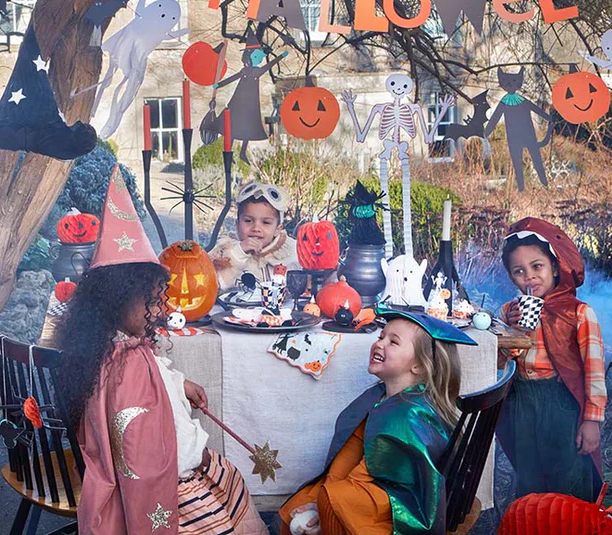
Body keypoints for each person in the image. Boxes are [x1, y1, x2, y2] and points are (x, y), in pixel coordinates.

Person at [60, 166, 268, 534]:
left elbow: (158, 387)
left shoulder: (108, 350)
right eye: (151, 302)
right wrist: (199, 456)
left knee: (229, 478)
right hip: (167, 485)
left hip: (136, 474)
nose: (160, 310)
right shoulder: (130, 369)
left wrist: (181, 383)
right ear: (115, 300)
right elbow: (154, 436)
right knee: (223, 491)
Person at [280, 309, 476, 535]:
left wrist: (324, 506)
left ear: (419, 366)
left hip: (403, 506)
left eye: (393, 342)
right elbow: (348, 455)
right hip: (378, 486)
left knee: (335, 499)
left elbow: (369, 478)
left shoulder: (407, 415)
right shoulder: (379, 397)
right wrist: (319, 497)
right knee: (311, 497)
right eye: (381, 337)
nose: (380, 344)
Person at [496, 217, 606, 501]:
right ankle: (533, 520)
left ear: (555, 268)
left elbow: (594, 372)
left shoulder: (579, 314)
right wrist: (513, 332)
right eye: (518, 271)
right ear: (511, 277)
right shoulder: (509, 311)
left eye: (537, 266)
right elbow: (498, 364)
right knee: (529, 472)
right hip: (522, 401)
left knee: (567, 471)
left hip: (560, 403)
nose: (529, 277)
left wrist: (592, 420)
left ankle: (571, 522)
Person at [210, 181, 299, 290]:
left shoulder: (292, 251)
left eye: (266, 223)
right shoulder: (225, 250)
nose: (256, 228)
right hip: (236, 306)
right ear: (237, 225)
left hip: (283, 307)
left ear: (277, 229)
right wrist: (238, 253)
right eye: (248, 221)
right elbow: (209, 286)